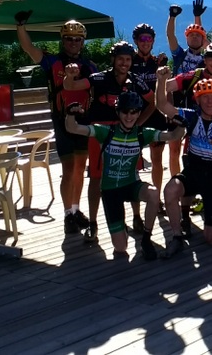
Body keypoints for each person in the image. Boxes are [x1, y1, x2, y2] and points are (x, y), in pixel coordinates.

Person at [64, 92, 185, 260]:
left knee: (153, 192)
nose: (129, 116)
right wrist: (70, 115)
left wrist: (181, 124)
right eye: (125, 111)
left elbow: (173, 136)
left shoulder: (143, 133)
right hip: (110, 190)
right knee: (121, 248)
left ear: (138, 113)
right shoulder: (105, 131)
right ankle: (121, 229)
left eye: (134, 112)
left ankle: (146, 239)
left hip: (130, 185)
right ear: (118, 112)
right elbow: (73, 128)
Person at [62, 41, 154, 242]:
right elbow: (70, 86)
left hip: (127, 133)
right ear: (113, 59)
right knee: (96, 178)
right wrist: (69, 75)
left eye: (128, 59)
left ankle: (136, 217)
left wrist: (138, 123)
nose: (124, 63)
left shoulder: (136, 81)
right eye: (120, 58)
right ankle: (93, 224)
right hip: (101, 133)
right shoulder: (100, 78)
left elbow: (153, 101)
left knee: (133, 174)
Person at [15, 14, 96, 235]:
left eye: (78, 39)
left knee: (80, 168)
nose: (73, 42)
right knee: (69, 169)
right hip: (62, 122)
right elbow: (28, 48)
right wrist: (21, 26)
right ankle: (68, 214)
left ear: (83, 41)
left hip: (84, 121)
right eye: (69, 38)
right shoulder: (52, 61)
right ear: (63, 40)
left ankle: (76, 209)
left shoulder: (89, 66)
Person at [156, 71, 212, 257]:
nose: (209, 101)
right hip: (194, 170)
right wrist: (161, 81)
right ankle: (177, 236)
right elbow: (162, 105)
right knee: (170, 190)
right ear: (197, 100)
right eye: (205, 97)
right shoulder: (191, 116)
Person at [129, 23, 172, 203]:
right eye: (142, 39)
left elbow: (166, 89)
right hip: (133, 115)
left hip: (155, 116)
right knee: (132, 162)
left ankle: (157, 198)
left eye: (149, 39)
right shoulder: (129, 61)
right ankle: (134, 198)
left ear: (153, 41)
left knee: (156, 159)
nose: (145, 42)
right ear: (136, 41)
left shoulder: (158, 63)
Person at [166, 0, 207, 181]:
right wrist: (172, 16)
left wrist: (198, 17)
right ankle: (175, 183)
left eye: (198, 36)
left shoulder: (207, 58)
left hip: (197, 106)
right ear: (186, 38)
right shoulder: (180, 55)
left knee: (195, 147)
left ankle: (193, 182)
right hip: (177, 104)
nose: (195, 38)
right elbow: (170, 36)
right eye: (191, 36)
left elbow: (206, 40)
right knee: (174, 148)